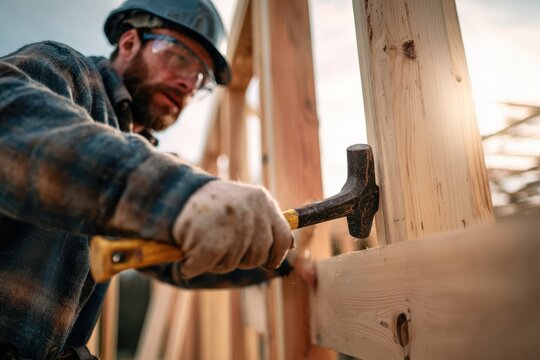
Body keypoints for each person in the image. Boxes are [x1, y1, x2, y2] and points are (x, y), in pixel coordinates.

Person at [0, 0, 295, 358]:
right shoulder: (65, 70)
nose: (190, 82)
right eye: (181, 57)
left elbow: (175, 257)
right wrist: (181, 194)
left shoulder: (134, 155)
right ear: (129, 42)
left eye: (201, 78)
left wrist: (279, 260)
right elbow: (11, 121)